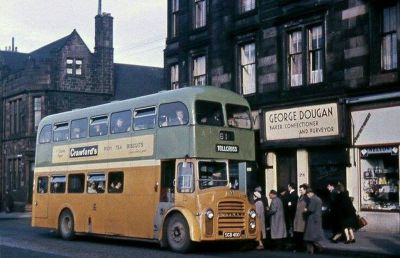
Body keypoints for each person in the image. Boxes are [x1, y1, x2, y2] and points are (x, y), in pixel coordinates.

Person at [303, 188, 325, 254]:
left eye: (308, 194)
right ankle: (311, 250)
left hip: (312, 219)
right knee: (311, 237)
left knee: (310, 237)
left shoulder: (312, 199)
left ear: (310, 193)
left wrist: (306, 210)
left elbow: (311, 209)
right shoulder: (318, 199)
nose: (307, 195)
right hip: (317, 218)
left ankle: (317, 248)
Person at [293, 183, 308, 252]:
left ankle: (300, 247)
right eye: (299, 190)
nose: (300, 191)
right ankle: (298, 247)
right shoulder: (300, 197)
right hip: (298, 218)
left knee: (300, 234)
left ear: (305, 190)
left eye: (301, 190)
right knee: (297, 234)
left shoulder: (306, 198)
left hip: (302, 219)